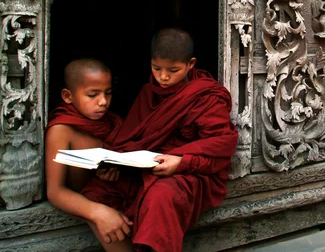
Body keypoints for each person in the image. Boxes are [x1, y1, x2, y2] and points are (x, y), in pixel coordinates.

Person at [81, 28, 239, 252]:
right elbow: (133, 139)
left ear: (190, 64)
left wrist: (180, 163)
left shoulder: (206, 96)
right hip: (148, 167)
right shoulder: (149, 92)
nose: (163, 77)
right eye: (156, 68)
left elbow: (219, 150)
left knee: (160, 198)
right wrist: (115, 165)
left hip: (190, 172)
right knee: (96, 192)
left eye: (173, 70)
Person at [45, 58, 132, 246]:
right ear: (68, 96)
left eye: (108, 93)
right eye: (93, 95)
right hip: (90, 203)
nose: (103, 102)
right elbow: (55, 191)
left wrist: (111, 173)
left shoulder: (112, 122)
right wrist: (98, 212)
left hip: (114, 194)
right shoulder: (62, 130)